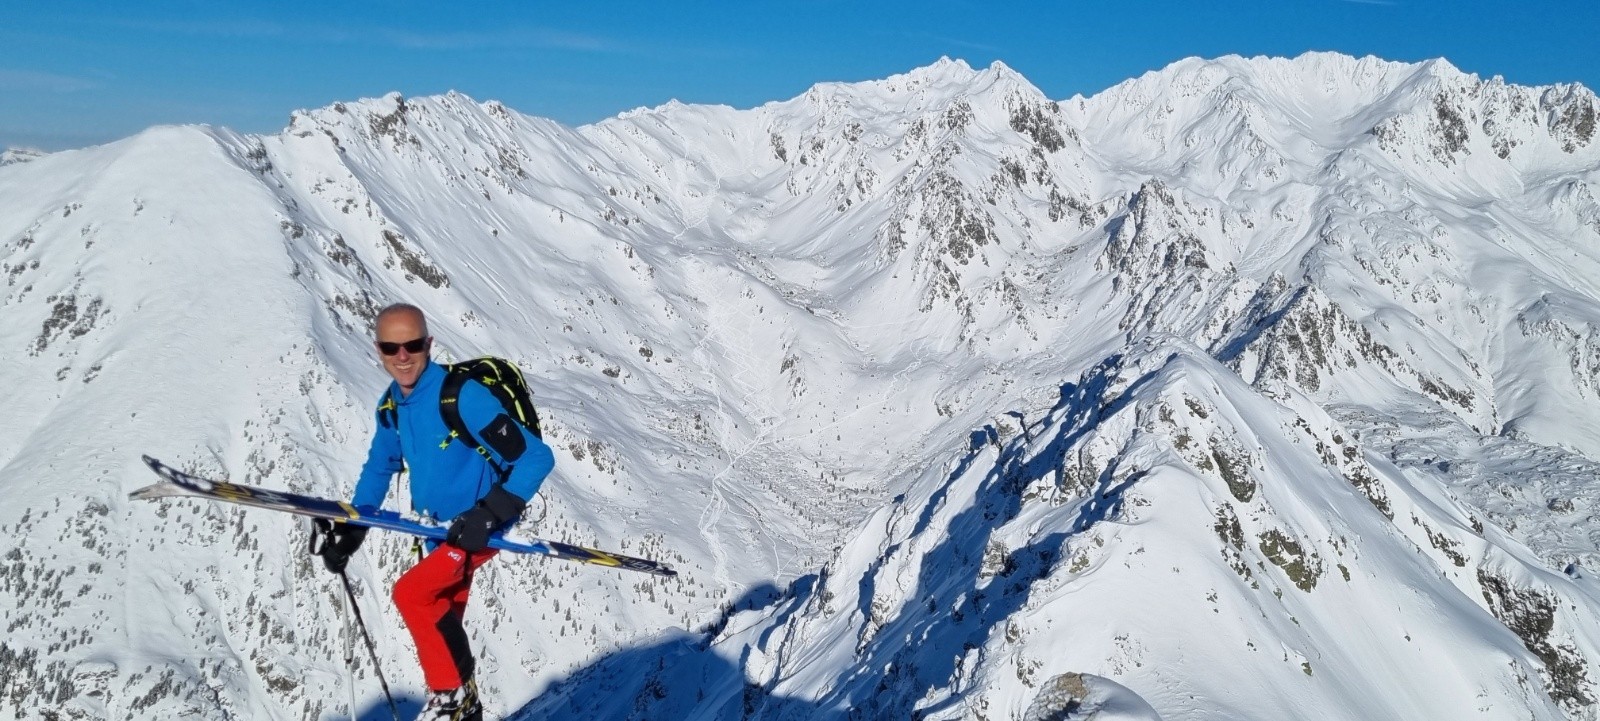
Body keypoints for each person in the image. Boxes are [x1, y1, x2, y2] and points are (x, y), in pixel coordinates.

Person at [316, 303, 553, 721]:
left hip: (483, 526)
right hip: (440, 533)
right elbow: (379, 467)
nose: (402, 356)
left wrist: (487, 515)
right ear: (379, 350)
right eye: (392, 347)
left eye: (411, 345)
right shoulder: (392, 406)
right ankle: (463, 707)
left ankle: (454, 701)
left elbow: (535, 458)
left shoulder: (461, 397)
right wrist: (351, 533)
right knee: (442, 626)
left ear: (428, 343)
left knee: (413, 594)